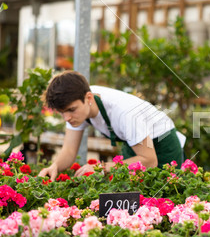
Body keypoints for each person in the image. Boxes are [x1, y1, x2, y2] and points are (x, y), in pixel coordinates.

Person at [38, 71, 184, 181]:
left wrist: (101, 168)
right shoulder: (78, 105)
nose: (67, 118)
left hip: (162, 146)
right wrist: (54, 167)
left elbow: (149, 161)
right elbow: (69, 151)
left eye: (71, 110)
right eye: (61, 112)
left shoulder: (124, 112)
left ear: (89, 97)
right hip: (135, 146)